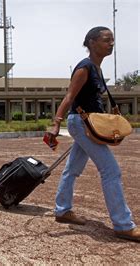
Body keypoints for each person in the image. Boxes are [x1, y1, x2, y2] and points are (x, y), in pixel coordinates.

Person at [48, 26, 139, 242]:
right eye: (107, 39)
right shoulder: (85, 67)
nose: (111, 43)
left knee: (72, 169)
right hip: (80, 122)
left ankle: (62, 210)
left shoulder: (96, 69)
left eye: (112, 40)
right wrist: (55, 124)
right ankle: (123, 225)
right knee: (111, 171)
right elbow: (69, 97)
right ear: (91, 42)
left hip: (87, 124)